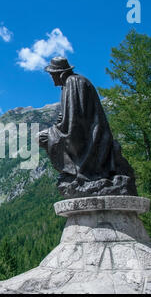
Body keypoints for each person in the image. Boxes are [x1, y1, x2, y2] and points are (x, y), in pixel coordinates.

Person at [38, 57, 137, 198]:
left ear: (60, 73)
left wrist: (58, 127)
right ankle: (73, 172)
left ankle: (75, 172)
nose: (52, 79)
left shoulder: (73, 82)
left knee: (41, 137)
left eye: (52, 75)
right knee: (45, 137)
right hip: (88, 133)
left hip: (85, 136)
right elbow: (75, 115)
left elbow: (74, 122)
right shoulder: (74, 83)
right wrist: (62, 121)